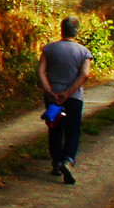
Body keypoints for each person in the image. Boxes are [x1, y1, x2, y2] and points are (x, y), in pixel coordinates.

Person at [39, 16, 92, 185]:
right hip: (73, 99)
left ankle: (56, 163)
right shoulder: (84, 52)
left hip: (53, 99)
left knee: (55, 129)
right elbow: (84, 75)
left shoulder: (49, 49)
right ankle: (68, 160)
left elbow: (40, 72)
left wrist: (49, 91)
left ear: (61, 29)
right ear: (77, 31)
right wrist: (68, 93)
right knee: (73, 130)